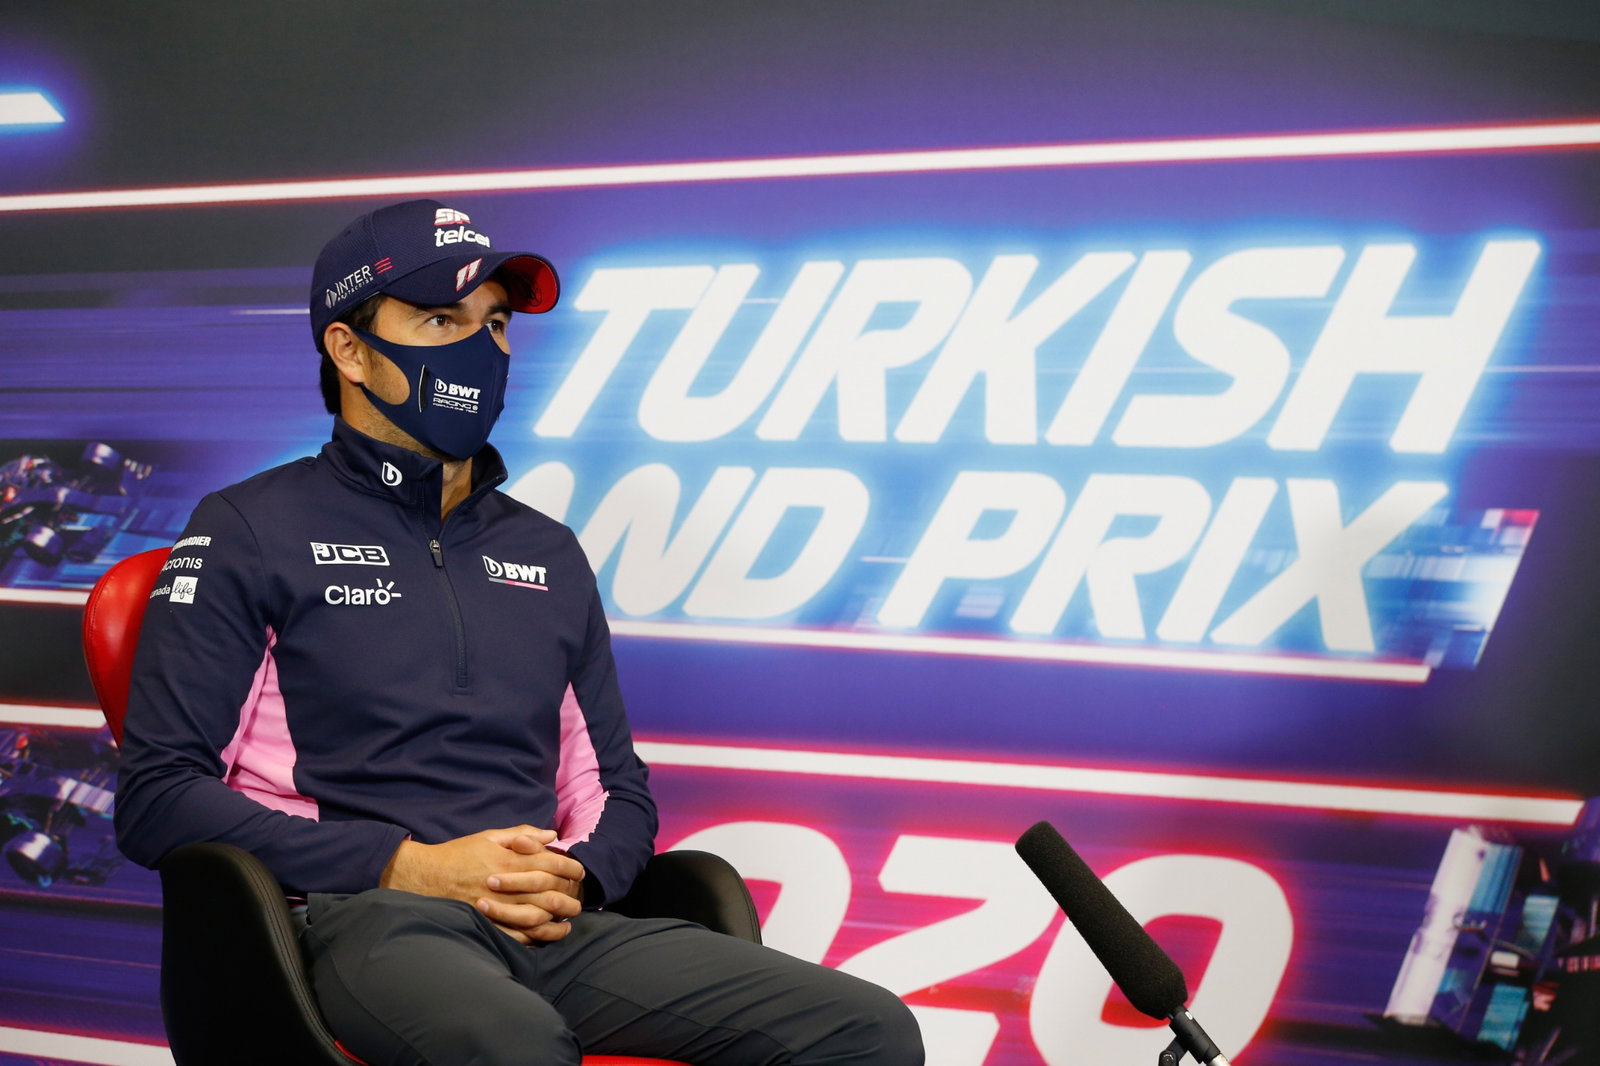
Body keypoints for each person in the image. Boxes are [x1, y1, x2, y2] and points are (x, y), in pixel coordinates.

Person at [114, 199, 924, 1066]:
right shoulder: (249, 526)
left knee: (866, 1029)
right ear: (348, 349)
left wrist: (569, 876)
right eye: (440, 319)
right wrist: (410, 867)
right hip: (365, 920)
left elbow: (617, 788)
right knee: (515, 1048)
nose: (481, 348)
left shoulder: (547, 550)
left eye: (494, 324)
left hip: (556, 927)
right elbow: (159, 796)